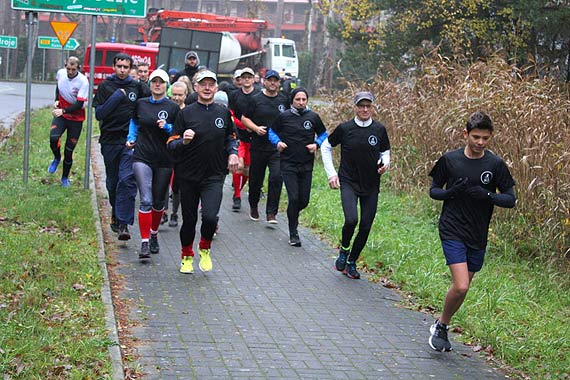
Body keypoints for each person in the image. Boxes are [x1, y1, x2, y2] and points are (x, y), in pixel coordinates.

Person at [427, 110, 516, 352]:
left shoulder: (495, 164)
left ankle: (440, 324)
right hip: (452, 228)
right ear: (465, 134)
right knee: (462, 285)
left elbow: (511, 199)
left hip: (478, 233)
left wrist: (487, 195)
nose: (480, 143)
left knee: (463, 287)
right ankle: (443, 325)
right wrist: (449, 193)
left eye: (485, 138)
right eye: (475, 137)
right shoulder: (450, 160)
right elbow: (433, 190)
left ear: (490, 137)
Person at [167, 70, 239, 274]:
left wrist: (233, 153)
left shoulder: (223, 113)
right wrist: (184, 141)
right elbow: (171, 144)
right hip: (188, 175)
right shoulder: (185, 113)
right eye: (203, 84)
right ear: (196, 87)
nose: (207, 88)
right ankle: (186, 255)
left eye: (211, 84)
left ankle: (205, 248)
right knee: (189, 220)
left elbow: (231, 138)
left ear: (216, 88)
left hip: (214, 175)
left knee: (210, 217)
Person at [321, 91, 391, 279]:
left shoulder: (379, 129)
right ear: (355, 107)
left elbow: (385, 152)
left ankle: (351, 262)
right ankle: (344, 249)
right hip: (349, 182)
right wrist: (331, 174)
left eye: (368, 106)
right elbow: (326, 147)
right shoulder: (345, 128)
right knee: (352, 219)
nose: (365, 109)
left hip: (371, 185)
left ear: (373, 107)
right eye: (361, 106)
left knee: (366, 226)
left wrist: (385, 164)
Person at [93, 53, 150, 240]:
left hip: (129, 142)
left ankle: (124, 223)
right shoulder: (105, 87)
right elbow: (99, 114)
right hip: (109, 140)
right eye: (119, 66)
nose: (122, 70)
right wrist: (117, 97)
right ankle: (116, 215)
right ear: (114, 67)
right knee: (112, 183)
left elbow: (149, 104)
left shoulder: (137, 87)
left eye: (126, 67)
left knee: (126, 181)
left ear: (130, 68)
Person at [126, 69, 179, 258]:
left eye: (161, 82)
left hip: (164, 159)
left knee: (158, 202)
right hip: (142, 156)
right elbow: (133, 122)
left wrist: (168, 127)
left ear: (167, 85)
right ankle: (144, 242)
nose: (157, 85)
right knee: (146, 199)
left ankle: (154, 233)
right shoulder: (141, 104)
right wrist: (131, 137)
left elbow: (177, 133)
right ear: (149, 84)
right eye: (154, 81)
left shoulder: (173, 108)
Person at [268, 88, 327, 246]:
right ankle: (293, 234)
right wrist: (278, 142)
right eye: (297, 99)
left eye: (303, 99)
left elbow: (323, 134)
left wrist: (316, 144)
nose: (301, 102)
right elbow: (272, 132)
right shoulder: (284, 116)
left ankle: (292, 212)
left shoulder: (313, 117)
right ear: (292, 100)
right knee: (294, 198)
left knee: (304, 201)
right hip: (288, 163)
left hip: (306, 164)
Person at [241, 69, 289, 223]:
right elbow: (244, 118)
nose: (273, 83)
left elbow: (289, 119)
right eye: (270, 80)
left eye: (275, 80)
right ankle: (254, 205)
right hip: (258, 145)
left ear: (279, 83)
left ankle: (271, 213)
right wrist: (255, 128)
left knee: (276, 177)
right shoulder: (255, 99)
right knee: (256, 179)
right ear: (264, 81)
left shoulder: (284, 100)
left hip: (277, 148)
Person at [47, 56, 89, 187]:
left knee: (69, 151)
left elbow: (79, 104)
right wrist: (56, 100)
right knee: (53, 138)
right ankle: (56, 158)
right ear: (65, 66)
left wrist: (63, 111)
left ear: (78, 68)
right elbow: (58, 87)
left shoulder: (83, 81)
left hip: (76, 118)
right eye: (68, 69)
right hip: (62, 115)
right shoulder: (60, 73)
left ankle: (64, 178)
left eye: (73, 69)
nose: (70, 72)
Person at [228, 67, 261, 211]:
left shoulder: (259, 94)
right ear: (240, 80)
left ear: (254, 79)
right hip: (239, 135)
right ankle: (237, 196)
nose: (247, 80)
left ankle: (239, 189)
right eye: (244, 77)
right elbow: (231, 114)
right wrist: (242, 125)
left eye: (249, 77)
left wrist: (253, 127)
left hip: (254, 137)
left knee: (248, 170)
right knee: (239, 166)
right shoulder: (234, 95)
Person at [163, 81, 189, 228]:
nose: (177, 98)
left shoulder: (189, 111)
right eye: (174, 94)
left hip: (183, 155)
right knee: (164, 182)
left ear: (185, 95)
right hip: (166, 152)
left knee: (177, 186)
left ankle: (174, 213)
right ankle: (164, 211)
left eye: (180, 95)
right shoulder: (167, 109)